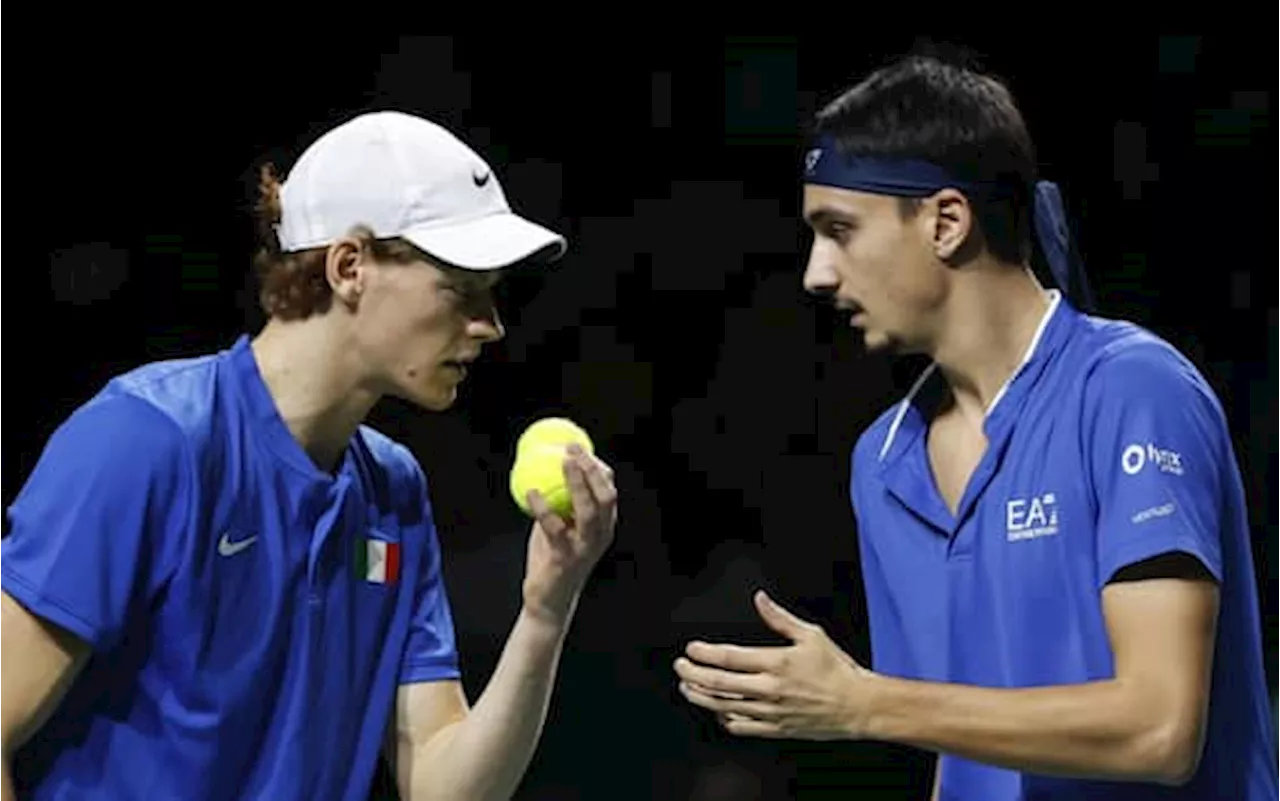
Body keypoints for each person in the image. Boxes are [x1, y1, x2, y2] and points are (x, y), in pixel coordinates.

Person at [674, 52, 1278, 799]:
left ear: (946, 222)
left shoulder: (1130, 389)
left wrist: (863, 701)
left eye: (840, 230)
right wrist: (876, 706)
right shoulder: (884, 462)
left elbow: (1159, 728)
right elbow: (955, 739)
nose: (816, 273)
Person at [0, 110, 618, 800]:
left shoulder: (393, 491)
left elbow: (446, 787)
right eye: (462, 289)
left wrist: (544, 609)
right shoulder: (147, 440)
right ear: (349, 266)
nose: (490, 325)